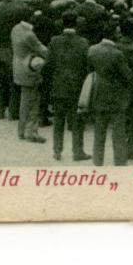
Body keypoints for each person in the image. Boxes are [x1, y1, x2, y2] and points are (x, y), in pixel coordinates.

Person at [87, 21, 133, 166]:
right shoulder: (117, 53)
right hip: (116, 96)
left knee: (99, 132)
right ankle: (119, 162)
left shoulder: (92, 50)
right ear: (114, 34)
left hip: (98, 93)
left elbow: (89, 70)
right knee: (118, 133)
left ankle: (97, 161)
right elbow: (127, 76)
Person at [45, 11, 90, 161]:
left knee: (58, 120)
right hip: (76, 87)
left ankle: (57, 150)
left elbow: (48, 65)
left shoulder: (54, 41)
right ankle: (78, 152)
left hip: (58, 86)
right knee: (77, 121)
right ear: (76, 23)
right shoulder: (83, 42)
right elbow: (86, 66)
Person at [11, 12, 49, 143]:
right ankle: (31, 132)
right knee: (33, 101)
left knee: (25, 100)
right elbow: (42, 49)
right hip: (29, 69)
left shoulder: (16, 28)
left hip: (18, 67)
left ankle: (22, 130)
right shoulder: (29, 34)